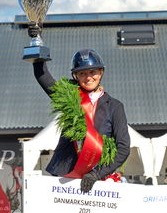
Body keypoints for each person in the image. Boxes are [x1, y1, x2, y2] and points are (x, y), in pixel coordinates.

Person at [33, 49, 130, 192]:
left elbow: (123, 148)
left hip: (98, 177)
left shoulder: (115, 106)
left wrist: (96, 174)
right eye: (82, 73)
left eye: (92, 72)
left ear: (101, 72)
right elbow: (42, 76)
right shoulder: (69, 98)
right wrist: (37, 44)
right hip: (65, 177)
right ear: (75, 76)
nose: (88, 77)